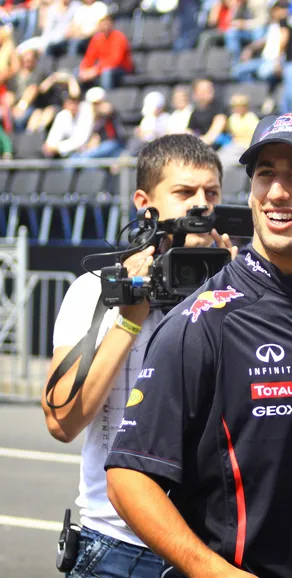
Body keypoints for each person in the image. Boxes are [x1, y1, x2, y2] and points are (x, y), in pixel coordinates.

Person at [104, 110, 292, 578]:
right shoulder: (203, 321)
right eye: (265, 175)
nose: (278, 192)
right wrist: (214, 573)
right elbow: (127, 479)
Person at [42, 133, 237, 577]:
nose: (200, 207)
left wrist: (236, 295)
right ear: (144, 204)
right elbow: (61, 421)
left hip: (211, 547)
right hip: (115, 549)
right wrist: (129, 316)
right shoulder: (96, 292)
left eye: (211, 193)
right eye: (184, 193)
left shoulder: (238, 289)